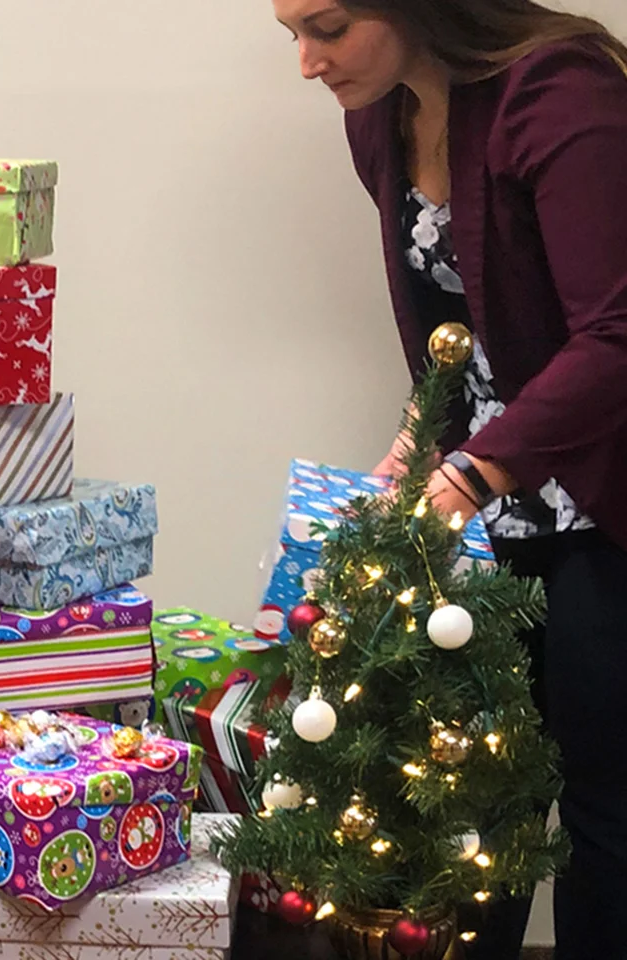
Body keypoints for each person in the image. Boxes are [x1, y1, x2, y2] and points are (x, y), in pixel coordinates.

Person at [270, 1, 627, 958]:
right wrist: (420, 437)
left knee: (605, 806)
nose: (307, 61)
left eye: (328, 26)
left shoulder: (561, 94)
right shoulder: (379, 115)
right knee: (470, 805)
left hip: (604, 498)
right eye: (288, 33)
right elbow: (471, 320)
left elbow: (616, 335)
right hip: (490, 504)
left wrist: (476, 469)